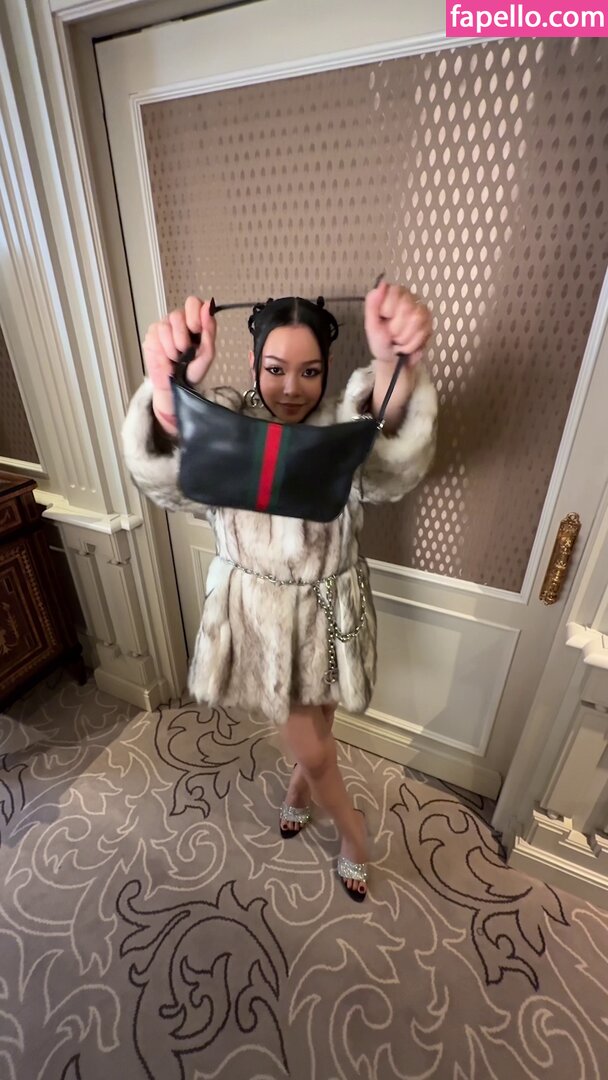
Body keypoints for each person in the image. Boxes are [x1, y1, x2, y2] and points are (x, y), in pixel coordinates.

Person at [122, 280, 437, 901]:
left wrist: (392, 368)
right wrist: (168, 395)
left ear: (327, 368)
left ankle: (298, 791)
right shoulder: (227, 425)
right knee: (314, 748)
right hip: (262, 615)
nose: (291, 387)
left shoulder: (340, 429)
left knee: (321, 725)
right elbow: (171, 478)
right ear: (253, 361)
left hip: (335, 605)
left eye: (309, 371)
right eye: (275, 369)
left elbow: (389, 463)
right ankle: (353, 833)